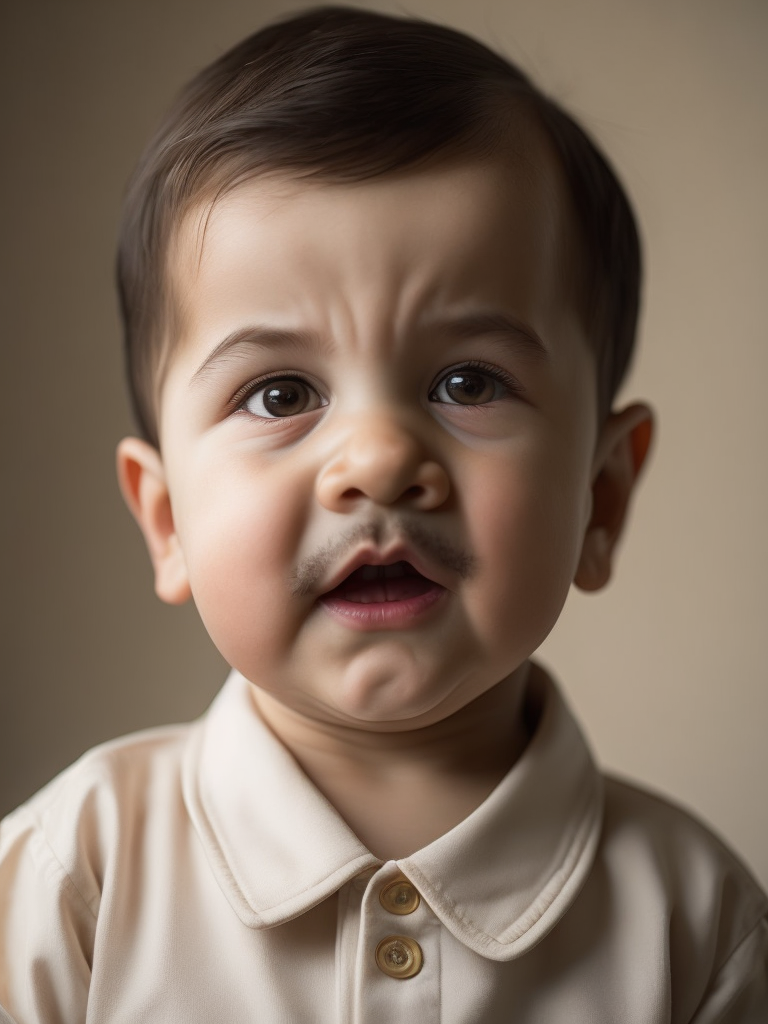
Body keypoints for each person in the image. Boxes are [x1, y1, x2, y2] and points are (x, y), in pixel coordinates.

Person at [0, 7, 765, 1021]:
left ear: (602, 496)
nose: (379, 460)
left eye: (468, 382)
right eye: (281, 393)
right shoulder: (69, 888)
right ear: (168, 518)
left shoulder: (696, 928)